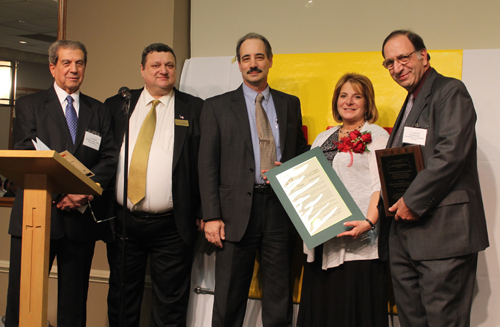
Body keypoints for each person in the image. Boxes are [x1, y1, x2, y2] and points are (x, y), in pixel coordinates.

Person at [379, 30, 489, 326]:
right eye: (389, 63)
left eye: (403, 57)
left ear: (423, 56)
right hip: (404, 236)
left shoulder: (450, 91)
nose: (397, 67)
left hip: (444, 235)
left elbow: (451, 153)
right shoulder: (411, 101)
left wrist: (412, 201)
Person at [5, 40, 118, 327]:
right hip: (36, 216)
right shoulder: (30, 105)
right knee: (23, 301)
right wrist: (61, 192)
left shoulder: (99, 110)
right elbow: (24, 152)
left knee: (74, 304)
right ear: (53, 66)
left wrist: (81, 193)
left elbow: (109, 159)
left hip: (79, 222)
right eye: (66, 63)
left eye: (79, 63)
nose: (73, 69)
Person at [199, 32, 309, 327]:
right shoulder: (216, 106)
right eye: (246, 58)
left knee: (279, 297)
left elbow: (298, 151)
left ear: (270, 61)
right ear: (239, 64)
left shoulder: (290, 104)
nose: (253, 64)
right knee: (228, 298)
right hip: (234, 214)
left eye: (259, 57)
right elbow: (206, 164)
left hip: (279, 209)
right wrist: (211, 216)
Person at [105, 43, 204, 327]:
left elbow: (204, 165)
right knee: (122, 299)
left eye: (170, 65)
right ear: (142, 70)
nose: (163, 70)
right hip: (124, 223)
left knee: (170, 305)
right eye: (156, 65)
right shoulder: (118, 105)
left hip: (172, 227)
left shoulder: (194, 108)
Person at [297, 73, 389, 327]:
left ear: (367, 102)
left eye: (357, 96)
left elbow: (379, 187)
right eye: (343, 95)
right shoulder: (323, 138)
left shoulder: (376, 136)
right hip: (323, 241)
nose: (348, 101)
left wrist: (369, 222)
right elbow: (310, 180)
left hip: (359, 244)